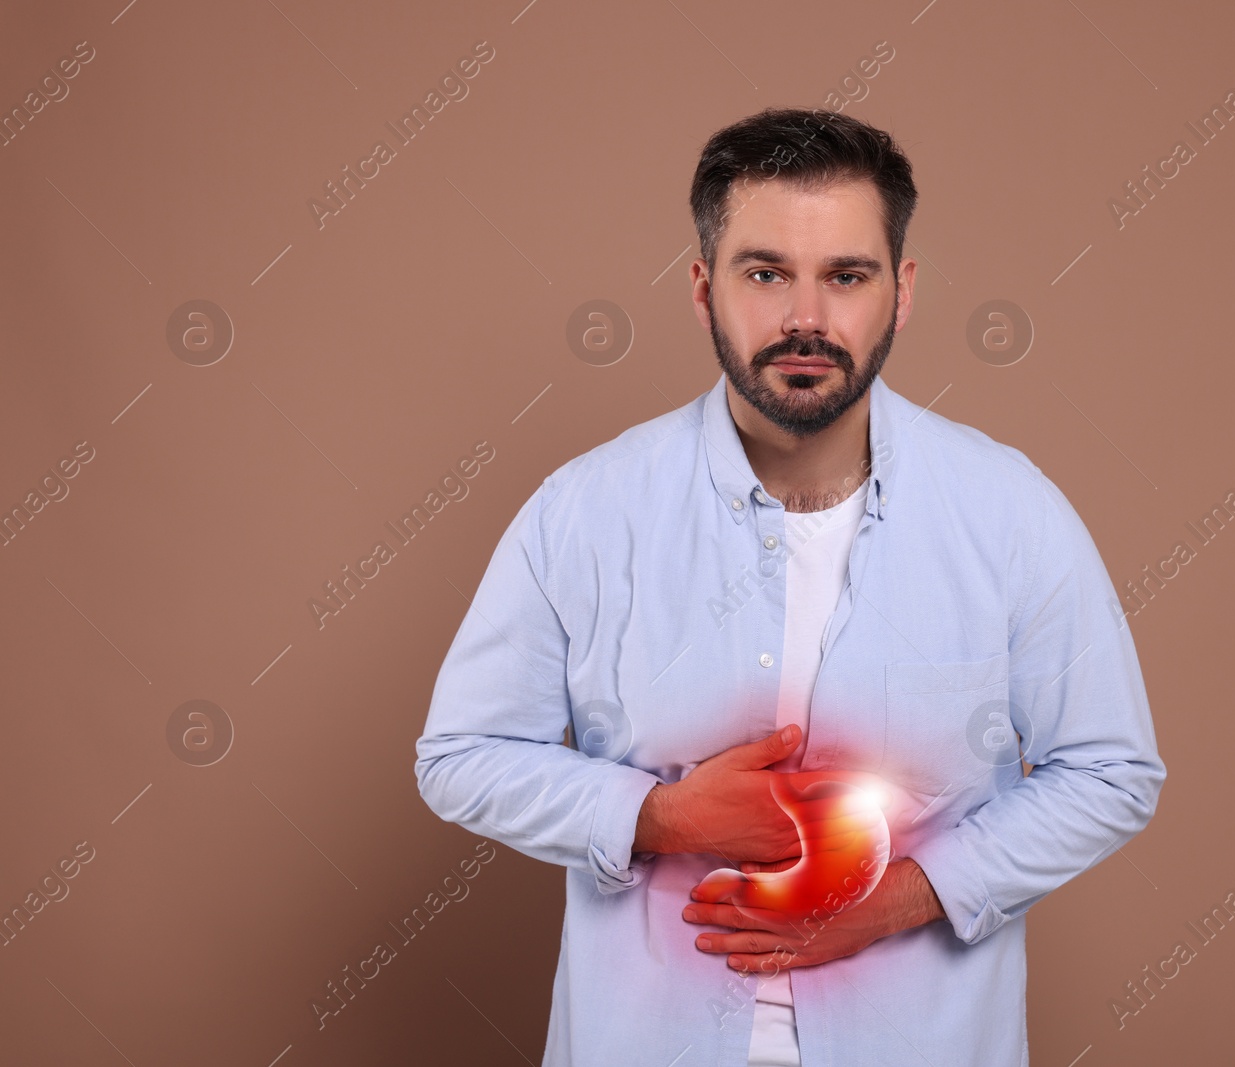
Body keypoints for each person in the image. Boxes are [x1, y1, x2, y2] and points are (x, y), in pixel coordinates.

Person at [414, 106, 1166, 1066]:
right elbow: (461, 754)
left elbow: (1110, 771)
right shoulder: (587, 513)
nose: (805, 317)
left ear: (900, 292)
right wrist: (659, 817)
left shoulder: (1010, 513)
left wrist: (894, 900)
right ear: (703, 289)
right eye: (765, 273)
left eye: (845, 276)